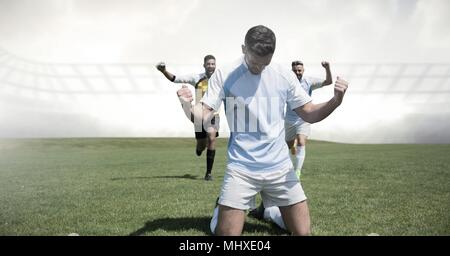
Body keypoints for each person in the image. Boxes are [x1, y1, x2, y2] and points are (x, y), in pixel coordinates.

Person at [177, 25, 348, 235]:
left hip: (279, 166)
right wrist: (186, 105)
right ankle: (219, 210)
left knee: (303, 233)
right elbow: (203, 115)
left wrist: (335, 101)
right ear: (243, 49)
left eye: (264, 63)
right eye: (253, 62)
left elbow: (309, 112)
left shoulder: (284, 75)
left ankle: (269, 212)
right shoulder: (225, 74)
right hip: (242, 167)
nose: (258, 68)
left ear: (272, 55)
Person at [156, 55, 219, 181]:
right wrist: (164, 71)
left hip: (213, 115)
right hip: (199, 116)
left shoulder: (220, 79)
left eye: (213, 64)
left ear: (215, 65)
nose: (211, 66)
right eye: (208, 64)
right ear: (204, 65)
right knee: (201, 145)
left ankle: (208, 173)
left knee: (212, 137)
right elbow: (175, 78)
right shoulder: (196, 78)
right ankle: (199, 147)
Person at [286, 60, 333, 179]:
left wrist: (327, 68)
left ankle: (297, 172)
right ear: (292, 71)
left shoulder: (309, 81)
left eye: (299, 70)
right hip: (289, 119)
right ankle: (292, 160)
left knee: (301, 142)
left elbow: (329, 82)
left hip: (304, 118)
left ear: (303, 70)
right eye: (295, 70)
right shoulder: (287, 83)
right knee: (290, 145)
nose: (297, 72)